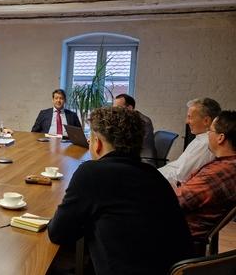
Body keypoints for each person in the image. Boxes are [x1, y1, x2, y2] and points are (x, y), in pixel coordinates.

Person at [47, 107, 193, 275]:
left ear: (98, 144)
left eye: (91, 139)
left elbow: (58, 233)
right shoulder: (156, 176)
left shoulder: (92, 173)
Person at [177, 110, 236, 244]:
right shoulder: (227, 165)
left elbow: (174, 202)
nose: (207, 135)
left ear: (220, 138)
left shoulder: (217, 174)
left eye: (210, 131)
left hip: (180, 239)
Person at [159, 98, 221, 187]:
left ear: (206, 121)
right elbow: (178, 166)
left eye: (190, 117)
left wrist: (153, 176)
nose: (186, 121)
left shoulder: (205, 143)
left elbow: (181, 177)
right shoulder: (200, 138)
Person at [113, 93, 157, 166]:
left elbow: (129, 143)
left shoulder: (142, 122)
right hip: (132, 158)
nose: (115, 111)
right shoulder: (126, 119)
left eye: (118, 108)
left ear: (129, 108)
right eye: (114, 108)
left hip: (143, 162)